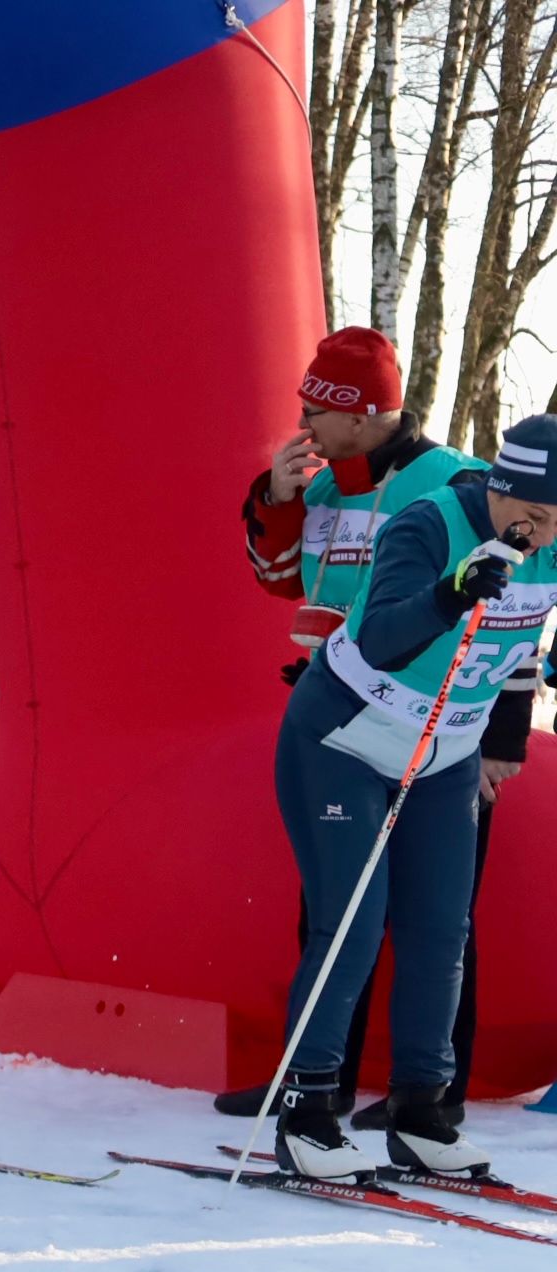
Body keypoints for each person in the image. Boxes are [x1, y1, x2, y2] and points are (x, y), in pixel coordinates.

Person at [267, 416, 554, 1183]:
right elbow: (381, 638)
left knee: (441, 932)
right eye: (545, 516)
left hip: (444, 752)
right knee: (353, 927)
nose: (549, 534)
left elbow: (526, 643)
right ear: (508, 491)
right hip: (346, 741)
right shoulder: (428, 525)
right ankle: (308, 1111)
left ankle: (422, 1111)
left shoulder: (550, 543)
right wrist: (451, 593)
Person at [227, 327, 492, 1125]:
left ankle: (434, 1089)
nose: (302, 419)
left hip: (436, 723)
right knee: (335, 909)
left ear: (367, 412)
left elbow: (508, 604)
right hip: (337, 717)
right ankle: (318, 1079)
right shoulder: (322, 485)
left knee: (437, 916)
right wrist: (270, 500)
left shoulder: (455, 482)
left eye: (318, 406)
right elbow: (276, 581)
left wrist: (504, 736)